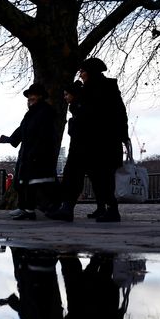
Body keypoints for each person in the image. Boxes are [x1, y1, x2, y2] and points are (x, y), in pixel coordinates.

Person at [76, 57, 130, 223]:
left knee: (103, 175)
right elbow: (121, 113)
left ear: (90, 72)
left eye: (82, 72)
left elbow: (118, 113)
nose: (81, 75)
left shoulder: (98, 89)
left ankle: (112, 209)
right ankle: (102, 207)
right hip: (101, 139)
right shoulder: (101, 87)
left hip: (103, 140)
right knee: (96, 175)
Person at [0, 83, 60, 220]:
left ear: (40, 96)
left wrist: (37, 151)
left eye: (33, 95)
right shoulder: (31, 114)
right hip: (28, 152)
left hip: (39, 153)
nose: (30, 98)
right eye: (29, 96)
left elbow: (45, 135)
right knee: (23, 182)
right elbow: (22, 130)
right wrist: (9, 139)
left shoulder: (45, 112)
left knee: (36, 182)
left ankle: (40, 208)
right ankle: (25, 208)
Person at [46, 81, 90, 222]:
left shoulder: (79, 109)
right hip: (81, 147)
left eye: (66, 94)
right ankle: (66, 207)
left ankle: (66, 208)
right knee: (74, 177)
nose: (64, 97)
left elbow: (77, 130)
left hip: (79, 148)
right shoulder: (79, 107)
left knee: (72, 176)